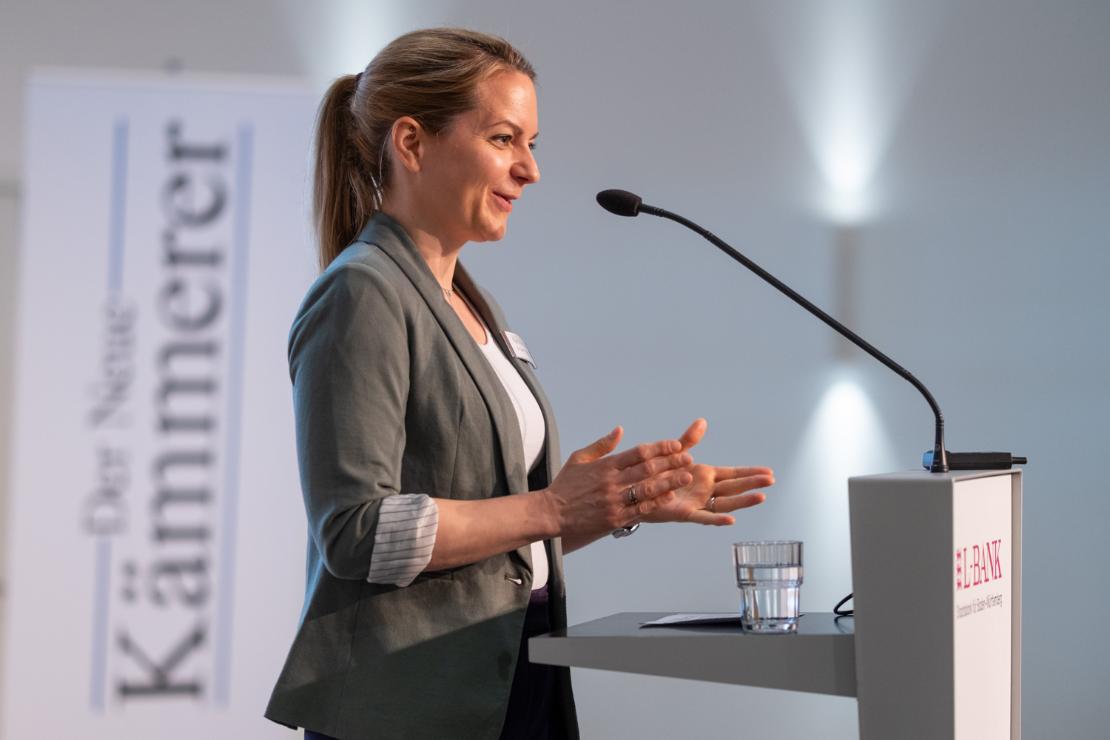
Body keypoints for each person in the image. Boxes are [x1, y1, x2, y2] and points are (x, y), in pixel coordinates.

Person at [264, 28, 774, 740]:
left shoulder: (471, 303)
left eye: (531, 144)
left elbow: (499, 540)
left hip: (511, 672)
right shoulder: (362, 292)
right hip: (410, 704)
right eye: (504, 139)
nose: (530, 170)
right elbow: (358, 532)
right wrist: (553, 506)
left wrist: (617, 502)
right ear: (411, 143)